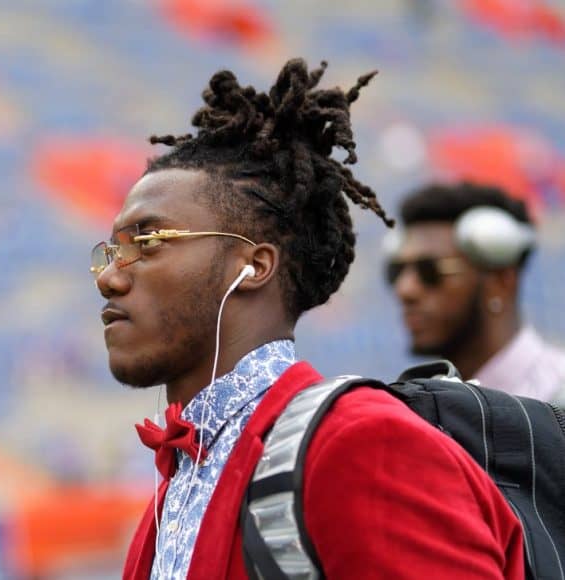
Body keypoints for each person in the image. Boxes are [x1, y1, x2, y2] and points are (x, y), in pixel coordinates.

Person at [91, 59, 524, 579]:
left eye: (149, 241)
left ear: (253, 265)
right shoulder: (181, 477)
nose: (110, 277)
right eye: (111, 251)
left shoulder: (358, 444)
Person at [388, 182, 565, 403]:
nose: (405, 290)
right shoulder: (423, 407)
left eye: (430, 271)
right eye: (397, 271)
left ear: (501, 281)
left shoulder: (557, 395)